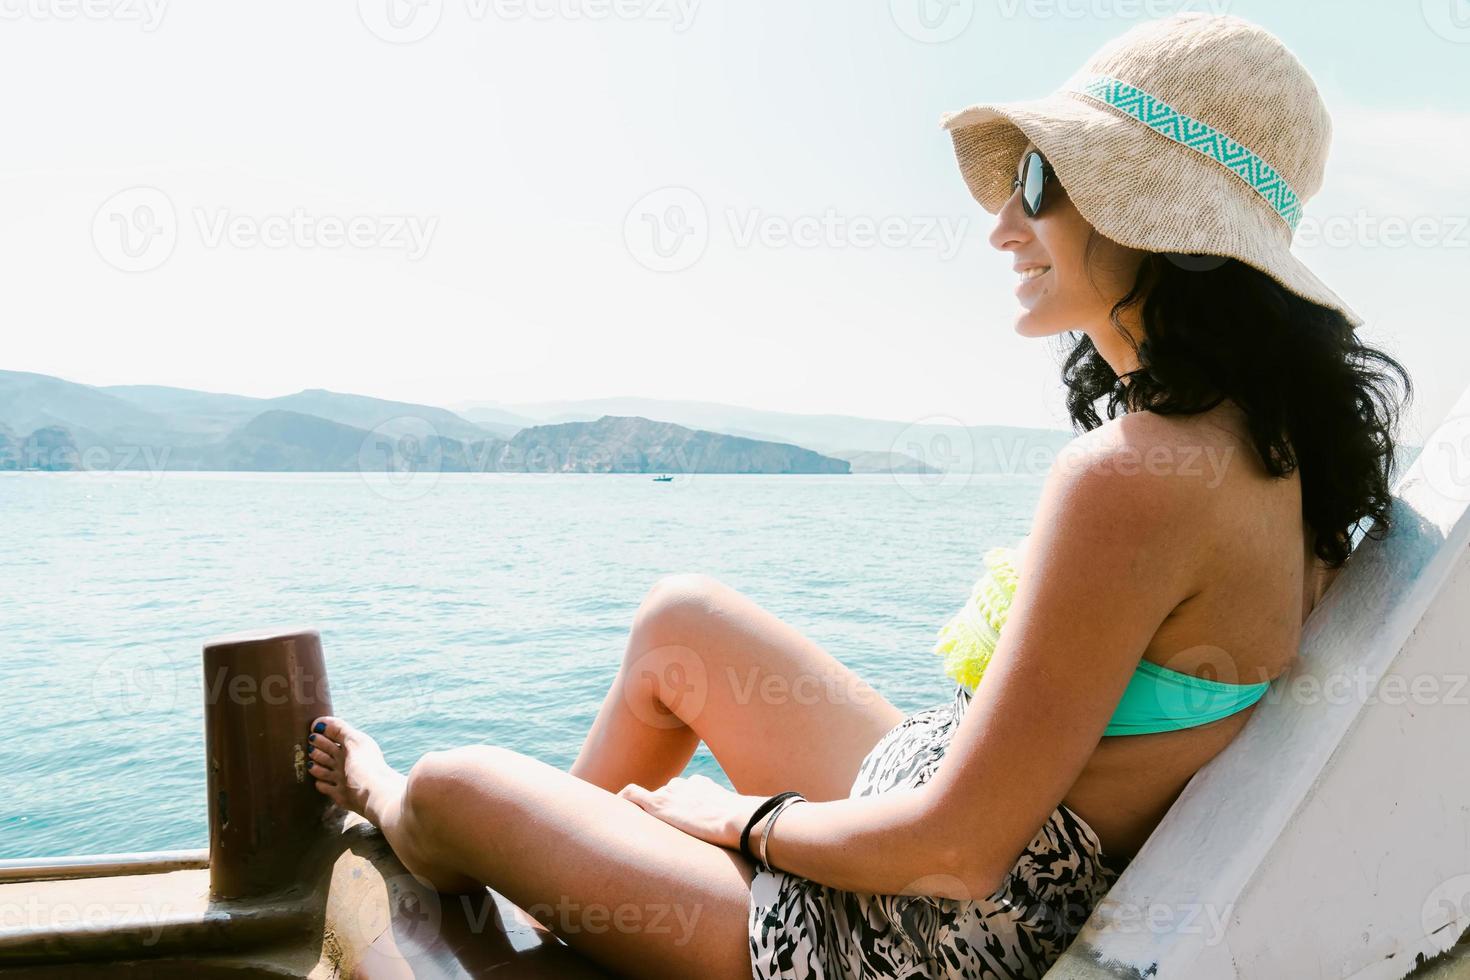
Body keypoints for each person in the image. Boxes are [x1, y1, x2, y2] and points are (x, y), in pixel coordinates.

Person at [302, 12, 1411, 979]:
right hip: (960, 840)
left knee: (449, 784)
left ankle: (424, 810)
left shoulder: (1134, 475)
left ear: (1155, 223)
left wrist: (737, 817)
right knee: (679, 622)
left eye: (1038, 181)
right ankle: (578, 887)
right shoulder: (1271, 463)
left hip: (906, 936)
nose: (1002, 223)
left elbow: (959, 851)